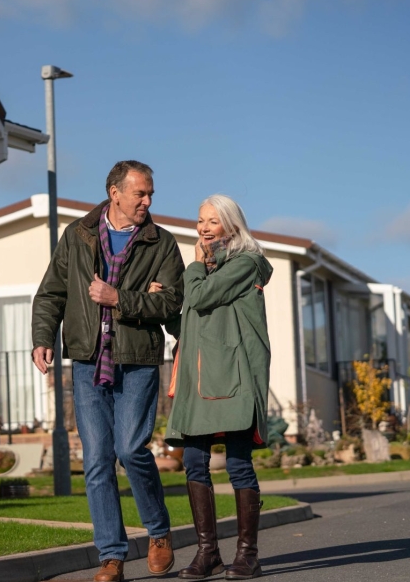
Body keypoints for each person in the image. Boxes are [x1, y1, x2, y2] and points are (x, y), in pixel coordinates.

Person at [32, 161, 185, 582]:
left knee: (131, 449)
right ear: (114, 193)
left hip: (136, 361)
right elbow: (52, 292)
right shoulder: (78, 236)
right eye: (140, 194)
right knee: (97, 460)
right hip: (87, 360)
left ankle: (158, 531)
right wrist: (42, 336)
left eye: (150, 193)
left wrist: (121, 298)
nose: (148, 201)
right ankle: (112, 556)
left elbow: (173, 303)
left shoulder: (161, 243)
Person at [162, 194, 273, 580]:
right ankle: (207, 552)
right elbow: (193, 321)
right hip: (199, 378)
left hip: (235, 377)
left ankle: (248, 555)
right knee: (194, 462)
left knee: (239, 465)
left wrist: (193, 268)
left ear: (231, 224)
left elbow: (202, 296)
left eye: (212, 221)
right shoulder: (208, 269)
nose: (204, 228)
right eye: (200, 221)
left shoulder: (246, 263)